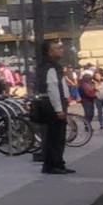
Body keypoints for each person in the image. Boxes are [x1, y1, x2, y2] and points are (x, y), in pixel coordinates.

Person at [38, 40, 73, 175]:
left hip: (53, 103)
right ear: (50, 52)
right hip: (53, 105)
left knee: (54, 136)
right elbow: (53, 88)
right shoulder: (51, 67)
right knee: (56, 137)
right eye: (57, 48)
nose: (61, 50)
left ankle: (56, 163)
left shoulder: (49, 66)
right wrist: (59, 108)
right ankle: (54, 164)